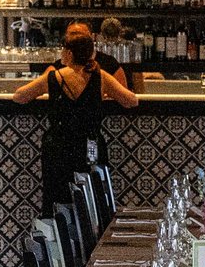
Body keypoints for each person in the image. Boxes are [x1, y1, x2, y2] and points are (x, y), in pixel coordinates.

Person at [13, 21, 138, 210]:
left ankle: (61, 236)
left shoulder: (54, 76)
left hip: (58, 147)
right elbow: (131, 100)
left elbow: (19, 96)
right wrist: (103, 94)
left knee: (58, 197)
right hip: (90, 145)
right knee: (93, 199)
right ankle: (92, 235)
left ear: (69, 53)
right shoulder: (101, 76)